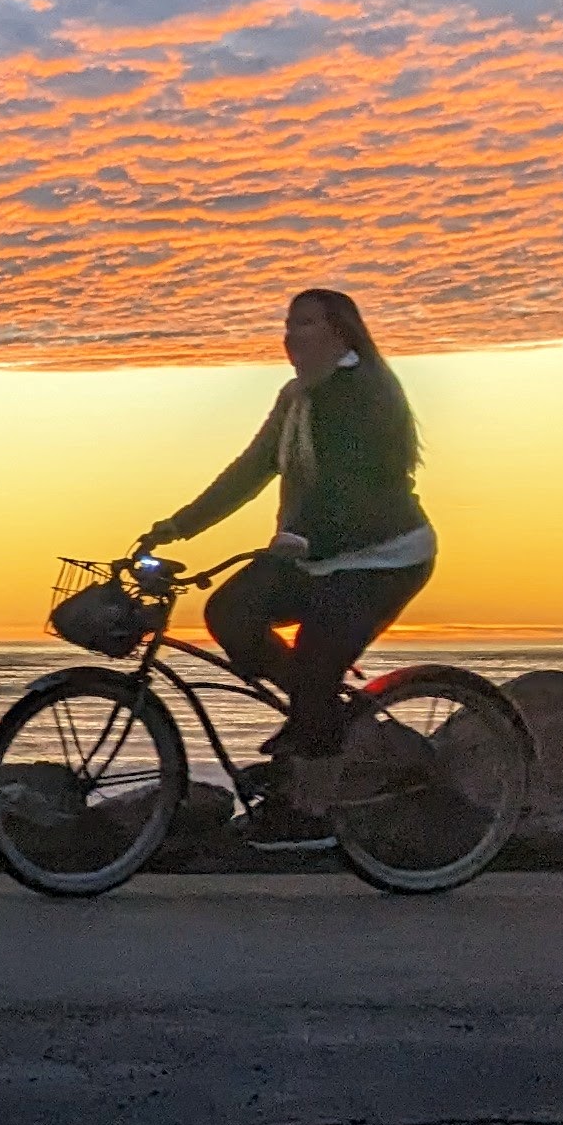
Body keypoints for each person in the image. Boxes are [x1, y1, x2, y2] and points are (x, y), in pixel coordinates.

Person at [135, 287, 434, 799]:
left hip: (381, 557)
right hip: (313, 551)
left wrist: (303, 538)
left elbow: (352, 484)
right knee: (230, 611)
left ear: (340, 330)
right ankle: (320, 720)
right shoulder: (296, 396)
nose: (290, 334)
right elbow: (252, 469)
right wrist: (179, 526)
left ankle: (315, 810)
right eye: (289, 323)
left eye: (306, 323)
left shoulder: (363, 392)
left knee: (317, 669)